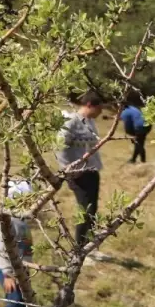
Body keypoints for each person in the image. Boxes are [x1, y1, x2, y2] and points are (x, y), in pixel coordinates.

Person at [58, 92, 105, 250]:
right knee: (84, 211)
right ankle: (78, 249)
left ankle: (89, 248)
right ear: (90, 105)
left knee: (92, 211)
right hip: (78, 174)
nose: (101, 112)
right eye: (99, 108)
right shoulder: (71, 122)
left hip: (91, 172)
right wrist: (68, 170)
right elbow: (60, 147)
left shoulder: (90, 122)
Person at [0, 181, 33, 307]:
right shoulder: (5, 219)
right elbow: (1, 246)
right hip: (7, 269)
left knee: (24, 303)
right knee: (15, 301)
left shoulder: (22, 219)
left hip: (22, 269)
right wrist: (7, 274)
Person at [120, 92, 150, 164]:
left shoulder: (125, 112)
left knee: (139, 144)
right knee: (139, 143)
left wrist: (130, 132)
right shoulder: (132, 108)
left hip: (140, 127)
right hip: (147, 125)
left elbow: (125, 122)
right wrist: (109, 117)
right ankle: (134, 159)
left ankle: (143, 161)